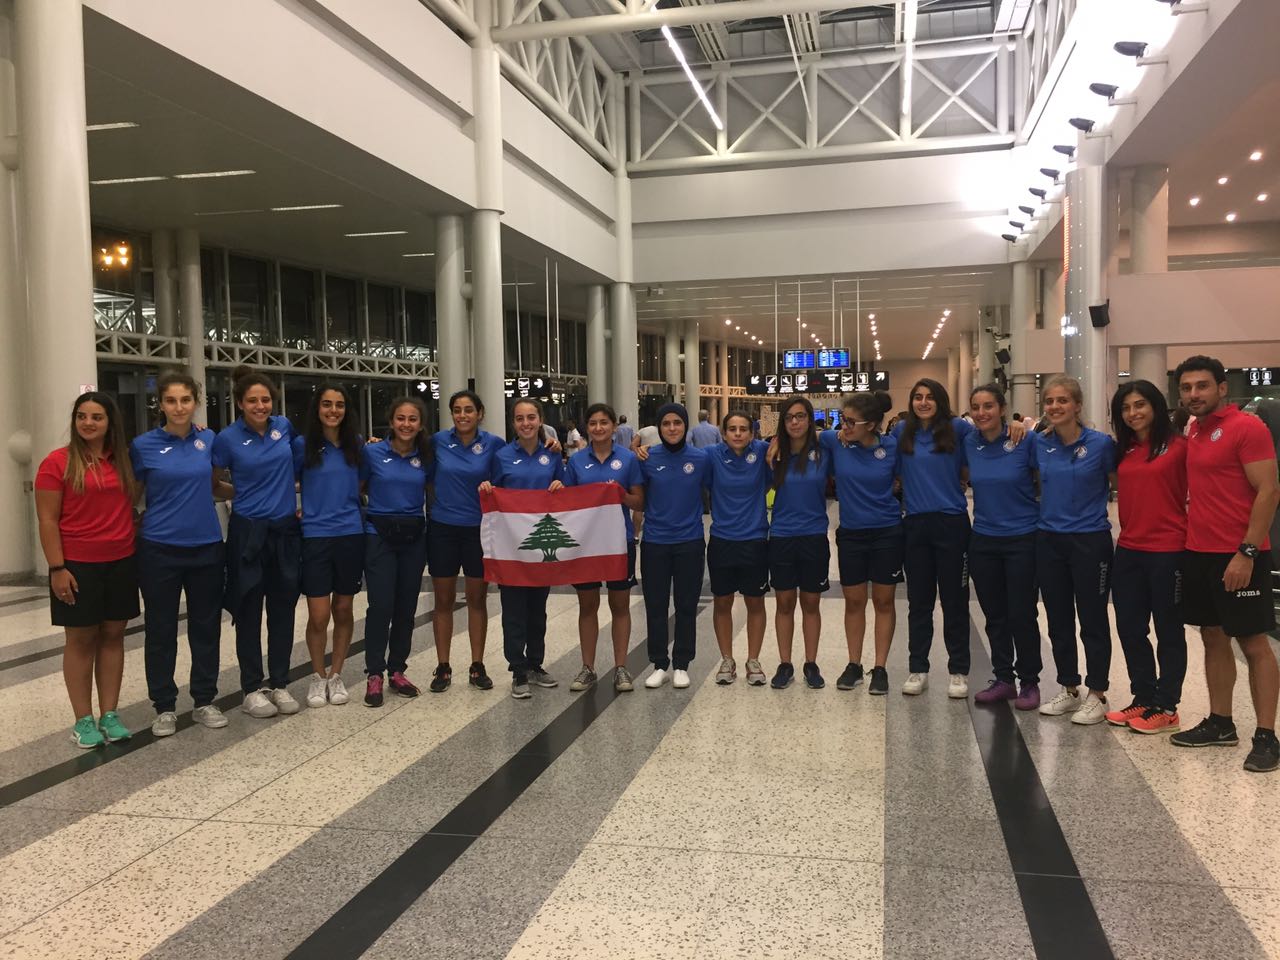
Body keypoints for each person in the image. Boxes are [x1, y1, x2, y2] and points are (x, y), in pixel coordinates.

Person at [1170, 356, 1280, 772]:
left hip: (1241, 553)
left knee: (1253, 642)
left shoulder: (1248, 428)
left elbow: (1269, 491)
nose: (1193, 394)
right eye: (1186, 388)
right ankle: (1221, 722)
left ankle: (1268, 736)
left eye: (1201, 386)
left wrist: (1247, 552)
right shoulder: (1194, 430)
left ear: (1221, 388)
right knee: (1213, 636)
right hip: (1199, 552)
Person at [36, 392, 141, 748]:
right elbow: (47, 520)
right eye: (82, 416)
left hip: (121, 561)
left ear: (110, 423)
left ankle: (109, 713)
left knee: (113, 637)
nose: (88, 423)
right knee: (80, 641)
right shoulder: (57, 463)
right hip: (77, 565)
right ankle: (83, 719)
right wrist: (56, 567)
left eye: (96, 417)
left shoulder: (122, 461)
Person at [131, 373, 231, 737]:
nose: (178, 407)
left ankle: (204, 699)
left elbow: (216, 485)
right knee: (160, 629)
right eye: (171, 401)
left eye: (185, 400)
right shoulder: (143, 445)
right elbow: (133, 495)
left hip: (206, 546)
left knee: (205, 627)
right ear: (161, 404)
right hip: (158, 549)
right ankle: (164, 705)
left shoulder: (210, 439)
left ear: (195, 402)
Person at [213, 367, 302, 720]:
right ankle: (251, 687)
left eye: (265, 399)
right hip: (247, 533)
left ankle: (279, 682)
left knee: (283, 609)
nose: (260, 405)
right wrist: (242, 494)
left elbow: (300, 465)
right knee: (248, 611)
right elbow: (213, 485)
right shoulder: (227, 438)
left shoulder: (284, 428)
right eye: (252, 400)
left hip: (283, 531)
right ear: (239, 403)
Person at [1033, 376, 1117, 725]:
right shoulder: (1039, 444)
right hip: (1049, 539)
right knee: (1058, 618)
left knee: (1093, 617)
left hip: (1090, 540)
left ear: (1077, 405)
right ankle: (1069, 687)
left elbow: (1117, 484)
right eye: (1050, 401)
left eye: (1062, 400)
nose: (1054, 407)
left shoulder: (1100, 444)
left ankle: (1097, 692)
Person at [1104, 380, 1187, 733]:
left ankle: (1167, 705)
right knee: (1131, 628)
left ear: (1155, 406)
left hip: (1169, 551)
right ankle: (1143, 696)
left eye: (1140, 405)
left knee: (1169, 629)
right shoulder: (1123, 450)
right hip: (1129, 549)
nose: (1133, 413)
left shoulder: (1180, 447)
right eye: (1126, 407)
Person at [894, 378, 975, 698]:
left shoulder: (958, 429)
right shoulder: (903, 431)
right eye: (917, 397)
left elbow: (979, 454)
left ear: (940, 400)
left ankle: (958, 670)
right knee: (919, 601)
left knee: (955, 601)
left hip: (952, 523)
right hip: (915, 524)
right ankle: (918, 668)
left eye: (929, 397)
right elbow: (897, 472)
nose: (923, 402)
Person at [965, 384, 1043, 711]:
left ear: (1001, 408)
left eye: (988, 406)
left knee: (1022, 613)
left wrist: (1024, 425)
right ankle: (1003, 678)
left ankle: (1030, 682)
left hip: (1023, 538)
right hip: (983, 538)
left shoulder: (1026, 441)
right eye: (976, 407)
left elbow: (1049, 467)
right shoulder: (968, 442)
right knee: (995, 614)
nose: (982, 413)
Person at [482, 399, 565, 698]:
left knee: (537, 609)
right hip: (511, 546)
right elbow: (493, 492)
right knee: (513, 608)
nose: (526, 423)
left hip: (541, 545)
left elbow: (564, 491)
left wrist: (559, 486)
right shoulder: (503, 456)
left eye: (531, 417)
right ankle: (517, 668)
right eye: (520, 419)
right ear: (513, 423)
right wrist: (488, 490)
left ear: (541, 419)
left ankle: (535, 663)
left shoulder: (552, 454)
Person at [822, 391, 900, 696]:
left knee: (883, 601)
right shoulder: (835, 441)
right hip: (851, 533)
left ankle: (879, 667)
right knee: (854, 601)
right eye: (843, 419)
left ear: (871, 425)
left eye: (851, 421)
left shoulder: (892, 446)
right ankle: (854, 663)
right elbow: (798, 434)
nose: (844, 425)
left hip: (887, 533)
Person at [565, 403, 644, 693]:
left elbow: (640, 502)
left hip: (618, 543)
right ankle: (588, 668)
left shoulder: (628, 459)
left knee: (620, 605)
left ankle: (621, 667)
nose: (599, 428)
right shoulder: (575, 462)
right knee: (588, 606)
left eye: (604, 423)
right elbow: (567, 504)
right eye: (593, 423)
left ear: (613, 426)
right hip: (586, 545)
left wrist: (621, 495)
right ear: (587, 428)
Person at [294, 383, 364, 708]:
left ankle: (336, 675)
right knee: (319, 614)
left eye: (338, 405)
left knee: (344, 609)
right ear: (317, 408)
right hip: (315, 536)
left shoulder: (357, 447)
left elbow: (365, 482)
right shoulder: (302, 446)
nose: (333, 410)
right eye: (326, 404)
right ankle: (317, 676)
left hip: (350, 534)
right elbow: (286, 482)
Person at [427, 390, 501, 693]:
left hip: (478, 531)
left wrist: (552, 446)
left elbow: (508, 474)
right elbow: (421, 471)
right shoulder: (437, 442)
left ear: (480, 413)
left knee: (476, 599)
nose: (462, 416)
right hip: (443, 528)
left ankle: (477, 664)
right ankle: (443, 666)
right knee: (442, 600)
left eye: (469, 410)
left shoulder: (494, 444)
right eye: (456, 410)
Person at [361, 397, 432, 707]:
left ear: (420, 424)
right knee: (381, 604)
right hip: (379, 536)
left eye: (412, 419)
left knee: (406, 606)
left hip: (414, 536)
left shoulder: (427, 455)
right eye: (400, 418)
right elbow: (359, 486)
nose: (406, 424)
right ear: (391, 422)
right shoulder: (372, 452)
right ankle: (374, 672)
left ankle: (397, 669)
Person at [638, 403, 708, 689]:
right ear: (659, 427)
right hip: (655, 541)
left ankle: (681, 663)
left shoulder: (701, 458)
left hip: (689, 541)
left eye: (677, 422)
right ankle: (659, 663)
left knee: (686, 604)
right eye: (666, 423)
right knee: (655, 605)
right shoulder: (646, 457)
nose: (672, 428)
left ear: (686, 425)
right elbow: (637, 496)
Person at [767, 396, 831, 689]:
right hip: (781, 535)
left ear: (810, 420)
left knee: (811, 602)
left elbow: (842, 433)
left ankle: (811, 663)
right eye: (789, 417)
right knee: (784, 602)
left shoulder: (824, 450)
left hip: (814, 535)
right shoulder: (773, 455)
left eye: (801, 416)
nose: (795, 422)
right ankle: (785, 663)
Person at [703, 410, 770, 686]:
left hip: (754, 540)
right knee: (722, 601)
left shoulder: (763, 450)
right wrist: (643, 449)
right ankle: (727, 659)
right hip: (722, 539)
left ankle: (753, 660)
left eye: (744, 429)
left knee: (755, 602)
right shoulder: (711, 455)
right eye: (732, 429)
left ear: (752, 433)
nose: (738, 434)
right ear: (723, 432)